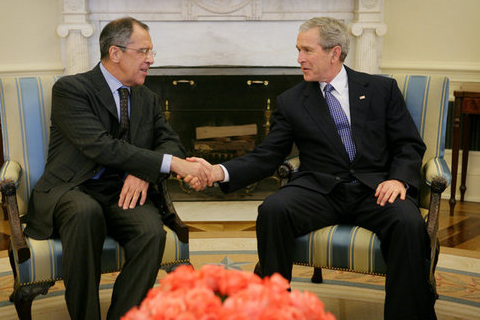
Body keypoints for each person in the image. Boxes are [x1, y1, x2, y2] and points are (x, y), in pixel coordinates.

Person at [186, 17, 436, 319]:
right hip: (320, 189)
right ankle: (274, 310)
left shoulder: (382, 89)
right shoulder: (291, 101)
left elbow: (408, 144)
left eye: (307, 50)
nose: (299, 59)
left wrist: (398, 179)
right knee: (273, 210)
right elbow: (268, 155)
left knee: (408, 224)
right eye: (298, 50)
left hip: (376, 188)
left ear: (334, 52)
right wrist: (216, 172)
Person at [24, 17, 212, 320]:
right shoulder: (72, 89)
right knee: (85, 213)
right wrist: (168, 164)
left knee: (152, 233)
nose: (150, 60)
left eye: (152, 52)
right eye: (143, 51)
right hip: (73, 188)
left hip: (120, 191)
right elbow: (100, 146)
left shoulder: (147, 98)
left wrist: (144, 172)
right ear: (115, 53)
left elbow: (171, 144)